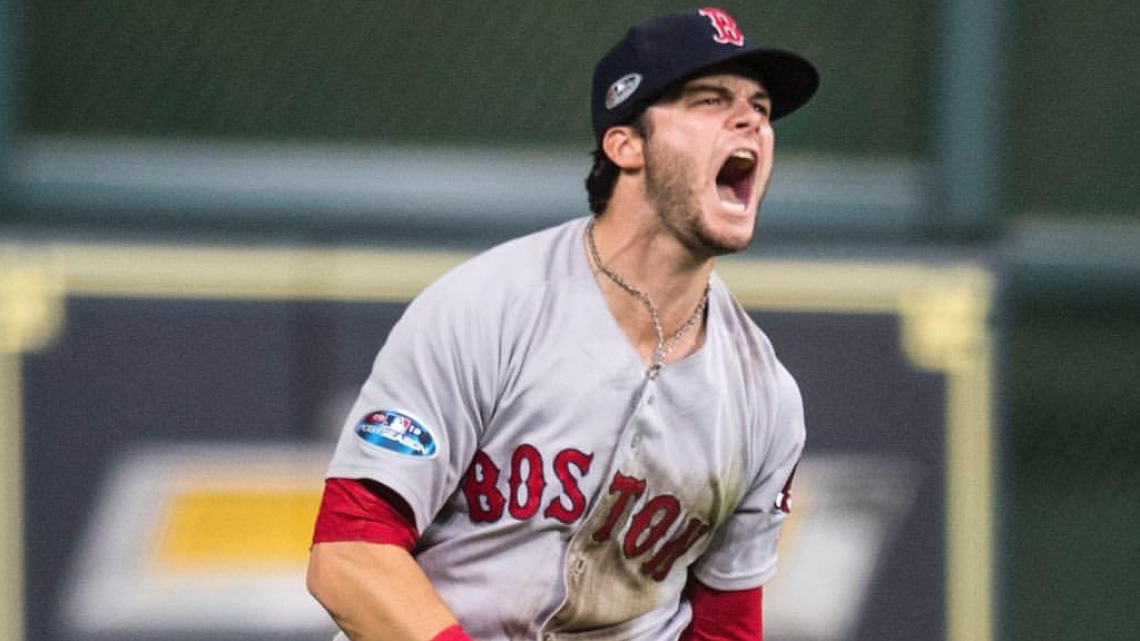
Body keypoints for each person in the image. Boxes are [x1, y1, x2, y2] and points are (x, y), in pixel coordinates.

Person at [307, 7, 819, 641]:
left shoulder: (764, 396)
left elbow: (724, 625)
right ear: (626, 143)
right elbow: (350, 555)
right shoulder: (488, 308)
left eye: (761, 109)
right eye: (709, 99)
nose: (751, 121)